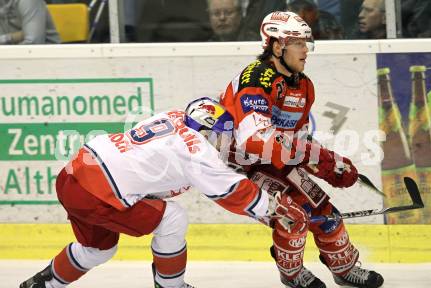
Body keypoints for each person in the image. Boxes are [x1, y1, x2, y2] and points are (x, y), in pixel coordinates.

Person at [19, 97, 308, 288]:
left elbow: (154, 169)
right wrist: (273, 207)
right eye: (221, 135)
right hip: (99, 193)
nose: (223, 143)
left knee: (98, 250)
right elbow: (232, 191)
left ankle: (41, 284)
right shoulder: (197, 148)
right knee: (173, 219)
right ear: (209, 131)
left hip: (73, 175)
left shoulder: (172, 117)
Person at [219, 11, 384, 288]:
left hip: (275, 163)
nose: (305, 49)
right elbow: (255, 138)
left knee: (325, 212)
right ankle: (292, 273)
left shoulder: (303, 85)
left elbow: (296, 138)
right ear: (276, 46)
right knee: (292, 216)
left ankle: (343, 268)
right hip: (238, 169)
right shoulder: (255, 80)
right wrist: (313, 155)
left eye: (306, 42)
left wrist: (328, 164)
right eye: (297, 42)